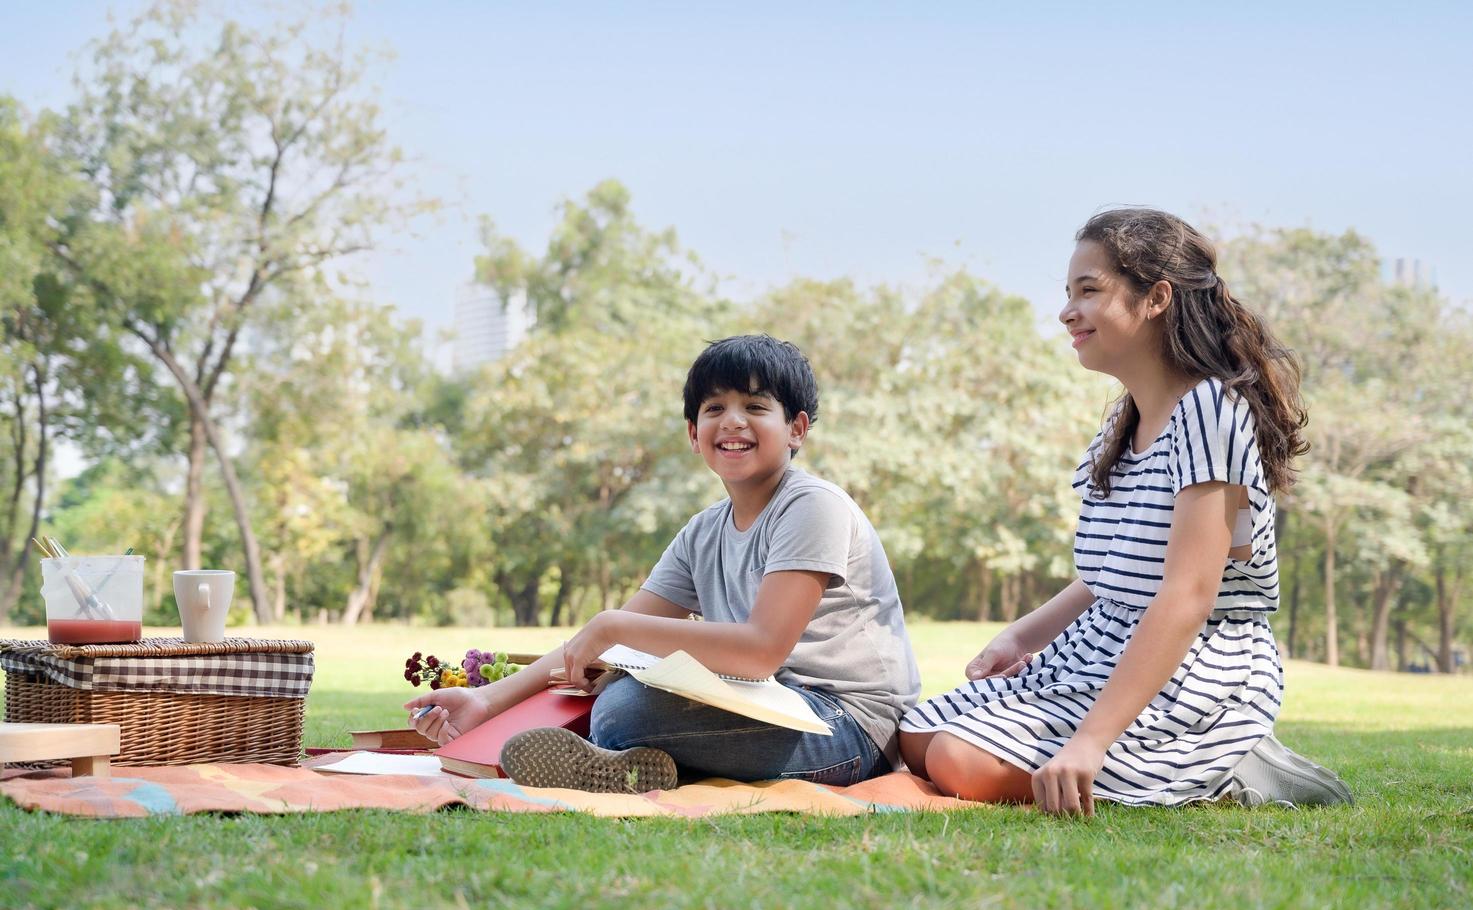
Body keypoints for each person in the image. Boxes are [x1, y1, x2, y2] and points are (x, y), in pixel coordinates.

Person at [899, 208, 1352, 816]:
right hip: (1099, 644)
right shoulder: (1125, 421)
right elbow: (1112, 573)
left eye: (1090, 291)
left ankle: (1230, 761)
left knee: (961, 762)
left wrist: (1090, 741)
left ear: (1156, 297)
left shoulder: (1210, 413)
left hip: (1194, 667)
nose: (1067, 311)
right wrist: (1020, 636)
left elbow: (1186, 596)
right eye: (1067, 293)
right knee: (917, 736)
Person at [406, 334, 921, 793]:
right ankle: (634, 766)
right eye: (714, 407)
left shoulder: (812, 505)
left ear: (797, 429)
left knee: (625, 709)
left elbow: (761, 651)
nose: (733, 421)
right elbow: (606, 645)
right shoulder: (703, 532)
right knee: (607, 691)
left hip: (844, 726)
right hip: (760, 707)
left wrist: (611, 627)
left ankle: (622, 757)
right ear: (694, 434)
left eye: (756, 406)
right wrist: (487, 701)